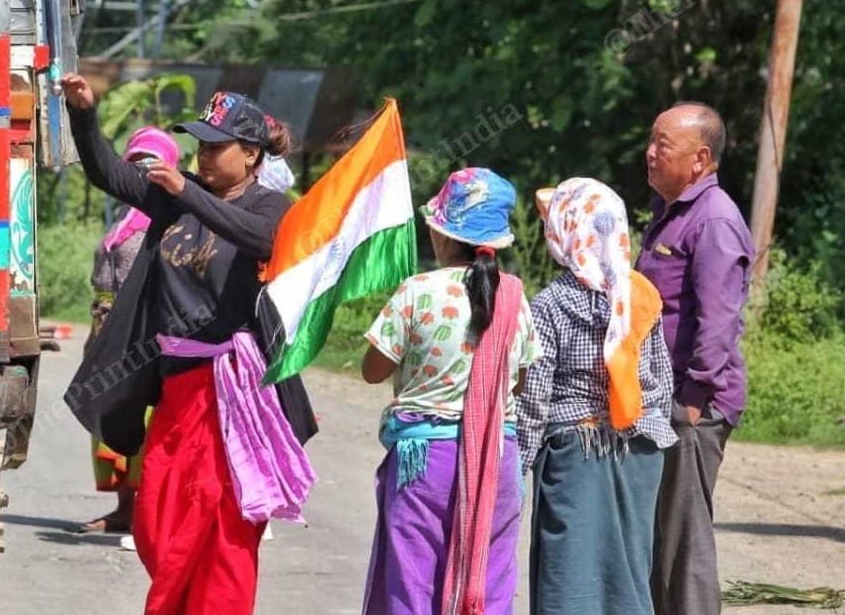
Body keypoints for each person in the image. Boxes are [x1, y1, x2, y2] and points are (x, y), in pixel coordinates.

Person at [60, 74, 318, 615]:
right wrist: (84, 113)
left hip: (234, 394)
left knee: (222, 526)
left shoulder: (273, 205)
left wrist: (188, 194)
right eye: (199, 145)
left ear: (250, 155)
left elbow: (264, 242)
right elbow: (107, 171)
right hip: (177, 390)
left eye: (216, 147)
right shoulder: (176, 199)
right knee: (157, 522)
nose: (202, 156)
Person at [360, 168, 538, 615]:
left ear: (441, 235)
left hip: (426, 462)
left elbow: (372, 370)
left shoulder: (417, 291)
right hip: (496, 461)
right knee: (489, 576)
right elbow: (515, 380)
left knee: (414, 579)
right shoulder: (515, 298)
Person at [517, 178, 678, 614]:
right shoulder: (643, 295)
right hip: (641, 452)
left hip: (575, 452)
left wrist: (520, 462)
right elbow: (661, 382)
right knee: (627, 570)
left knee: (569, 573)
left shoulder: (550, 304)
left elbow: (535, 395)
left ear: (565, 232)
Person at [637, 102, 754, 614]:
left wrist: (693, 397)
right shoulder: (673, 215)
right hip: (666, 397)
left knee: (685, 540)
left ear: (700, 158)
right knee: (661, 534)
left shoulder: (714, 221)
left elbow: (719, 319)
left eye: (663, 144)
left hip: (694, 406)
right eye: (652, 141)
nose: (650, 153)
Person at [79, 126, 180, 540]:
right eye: (133, 163)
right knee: (107, 415)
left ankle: (150, 514)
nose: (140, 172)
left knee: (141, 421)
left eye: (150, 163)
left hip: (139, 334)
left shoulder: (169, 219)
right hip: (105, 327)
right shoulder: (123, 220)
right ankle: (124, 508)